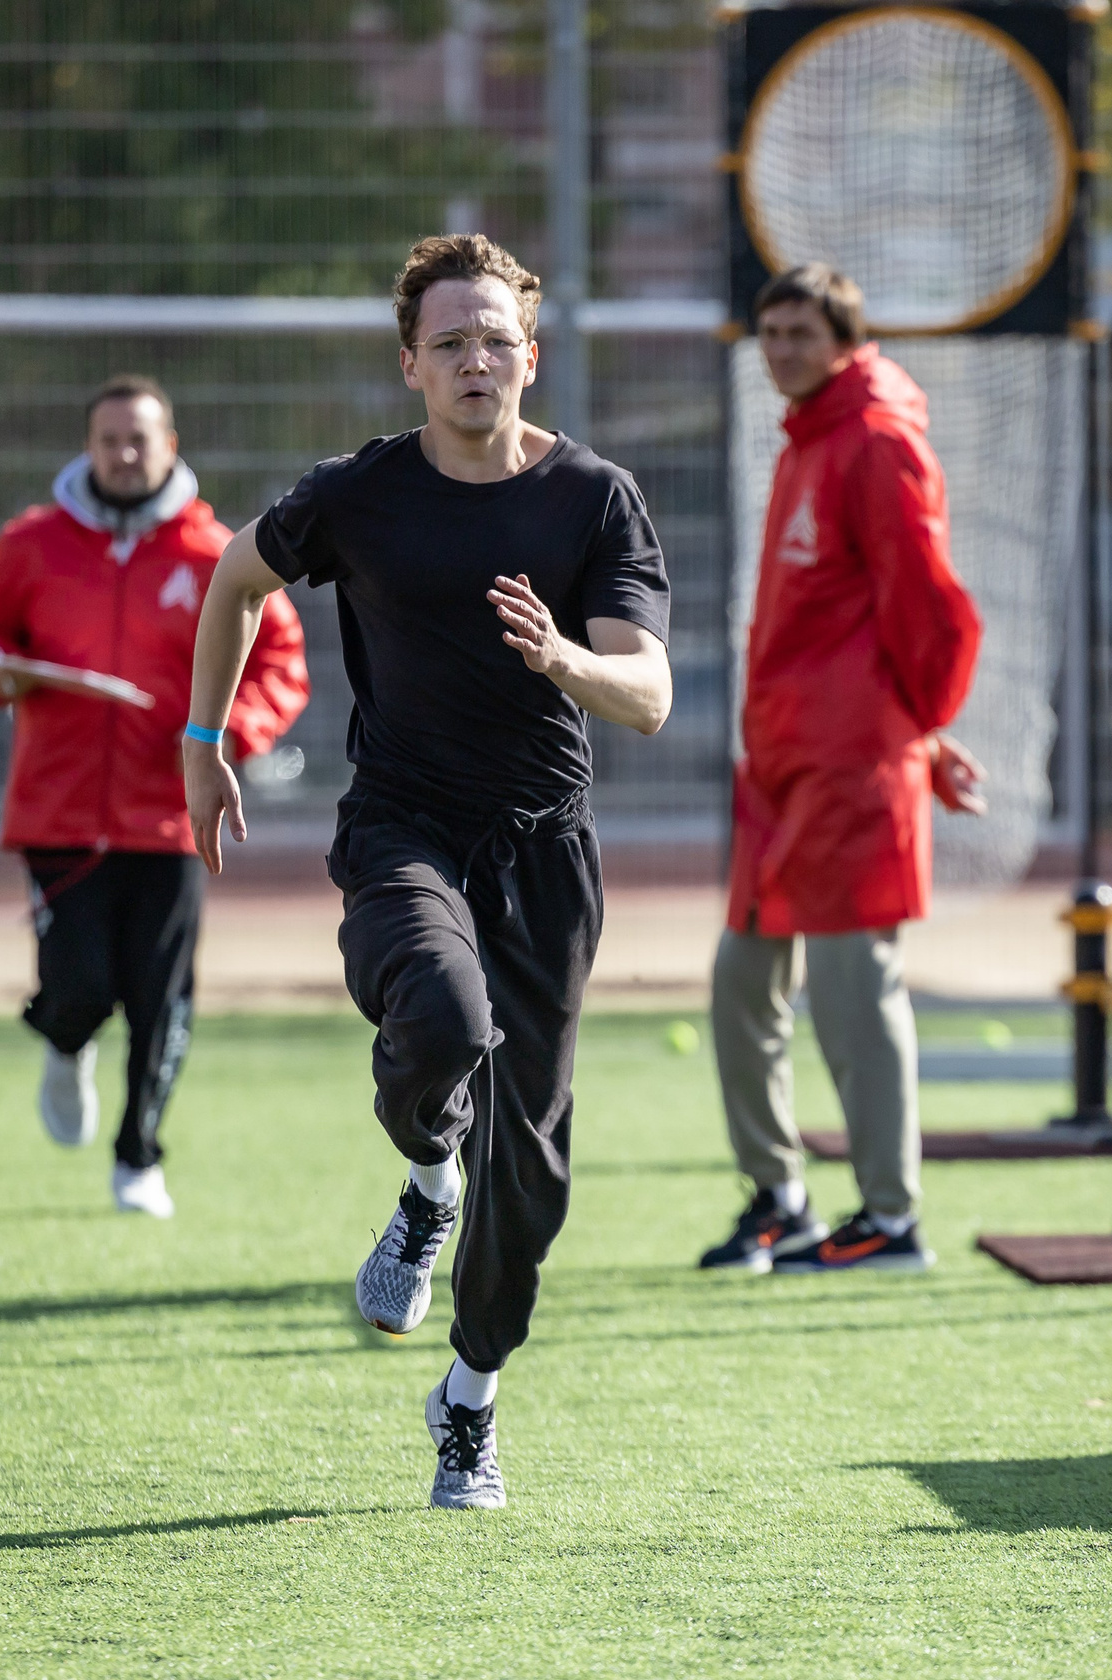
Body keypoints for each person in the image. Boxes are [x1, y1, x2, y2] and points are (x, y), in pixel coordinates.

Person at [183, 235, 671, 1510]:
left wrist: (563, 659)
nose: (473, 359)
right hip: (402, 827)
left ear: (530, 353)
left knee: (539, 1170)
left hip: (546, 849)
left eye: (494, 338)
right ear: (411, 364)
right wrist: (203, 740)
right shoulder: (358, 494)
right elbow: (237, 578)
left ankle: (468, 1394)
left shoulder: (592, 497)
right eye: (448, 341)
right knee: (444, 1020)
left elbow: (652, 694)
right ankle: (424, 1173)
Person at [0, 375, 310, 1217]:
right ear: (87, 448)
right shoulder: (31, 543)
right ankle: (65, 1042)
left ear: (170, 445)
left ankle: (138, 1157)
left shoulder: (215, 553)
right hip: (59, 809)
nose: (123, 454)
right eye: (108, 438)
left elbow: (280, 666)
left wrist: (228, 734)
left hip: (171, 813)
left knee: (162, 995)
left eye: (138, 438)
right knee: (78, 985)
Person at [697, 264, 985, 1276]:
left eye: (799, 332)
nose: (779, 349)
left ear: (844, 339)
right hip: (782, 769)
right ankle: (778, 1196)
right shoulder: (812, 433)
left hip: (852, 768)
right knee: (741, 985)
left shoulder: (874, 439)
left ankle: (891, 1216)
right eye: (768, 331)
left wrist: (916, 730)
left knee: (855, 992)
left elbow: (931, 608)